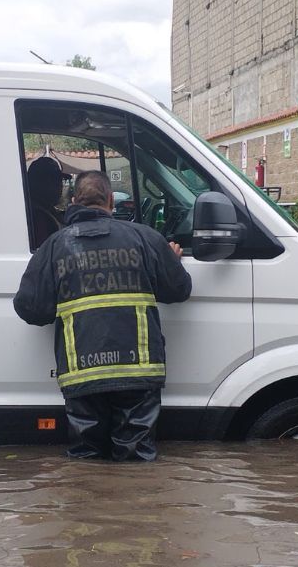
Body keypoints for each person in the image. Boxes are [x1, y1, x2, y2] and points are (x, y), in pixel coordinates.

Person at [12, 170, 192, 461]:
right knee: (137, 464)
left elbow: (29, 308)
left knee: (85, 463)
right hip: (138, 371)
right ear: (111, 200)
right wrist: (170, 259)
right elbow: (180, 290)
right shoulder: (146, 239)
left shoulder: (54, 247)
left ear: (73, 201)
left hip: (83, 373)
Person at [27, 155, 66, 251]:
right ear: (39, 183)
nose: (61, 187)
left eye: (61, 181)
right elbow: (44, 253)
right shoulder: (38, 216)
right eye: (56, 181)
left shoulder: (48, 210)